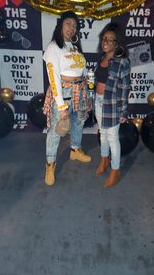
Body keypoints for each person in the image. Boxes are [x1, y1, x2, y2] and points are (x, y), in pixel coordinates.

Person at [43, 11, 91, 186]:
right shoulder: (54, 47)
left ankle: (75, 150)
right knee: (57, 130)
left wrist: (87, 81)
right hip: (63, 92)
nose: (72, 28)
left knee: (78, 122)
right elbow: (53, 76)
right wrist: (61, 104)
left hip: (80, 91)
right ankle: (50, 164)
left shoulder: (74, 46)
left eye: (75, 26)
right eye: (69, 24)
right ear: (60, 25)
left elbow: (82, 69)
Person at [94, 22, 130, 188]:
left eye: (110, 39)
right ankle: (104, 160)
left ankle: (115, 171)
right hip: (99, 101)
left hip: (113, 104)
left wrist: (123, 111)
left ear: (117, 43)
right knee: (102, 133)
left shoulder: (122, 62)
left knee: (113, 138)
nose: (105, 42)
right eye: (104, 38)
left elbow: (124, 87)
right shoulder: (102, 58)